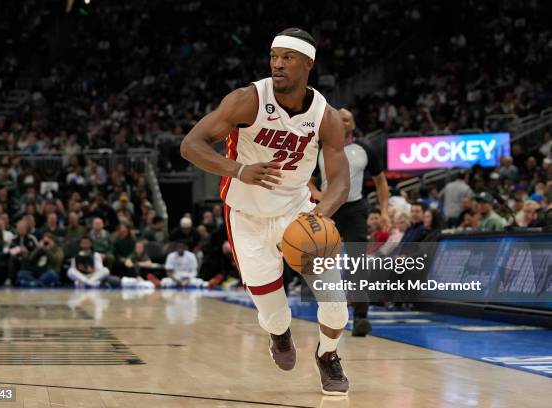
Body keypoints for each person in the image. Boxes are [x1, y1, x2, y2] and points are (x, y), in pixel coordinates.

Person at [180, 27, 351, 395]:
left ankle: (328, 355)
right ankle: (280, 335)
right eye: (274, 57)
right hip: (247, 215)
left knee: (337, 307)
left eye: (287, 58)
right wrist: (239, 170)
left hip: (298, 211)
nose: (278, 64)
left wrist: (322, 212)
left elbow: (339, 181)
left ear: (308, 64)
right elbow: (190, 145)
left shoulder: (326, 116)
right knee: (273, 316)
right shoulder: (247, 100)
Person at [309, 108, 389, 337]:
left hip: (355, 208)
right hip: (328, 208)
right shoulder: (318, 148)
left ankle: (361, 317)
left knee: (357, 262)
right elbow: (308, 182)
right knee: (322, 263)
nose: (342, 122)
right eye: (339, 118)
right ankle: (327, 313)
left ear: (352, 125)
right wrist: (320, 196)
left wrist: (384, 211)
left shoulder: (365, 148)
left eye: (347, 119)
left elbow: (381, 182)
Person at [67, 236, 154, 289]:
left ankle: (88, 283)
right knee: (70, 271)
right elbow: (74, 271)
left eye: (87, 242)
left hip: (94, 277)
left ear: (90, 244)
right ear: (80, 244)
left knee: (105, 270)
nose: (85, 244)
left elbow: (100, 270)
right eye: (83, 243)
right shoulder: (76, 256)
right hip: (81, 277)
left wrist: (91, 272)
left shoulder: (96, 255)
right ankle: (89, 283)